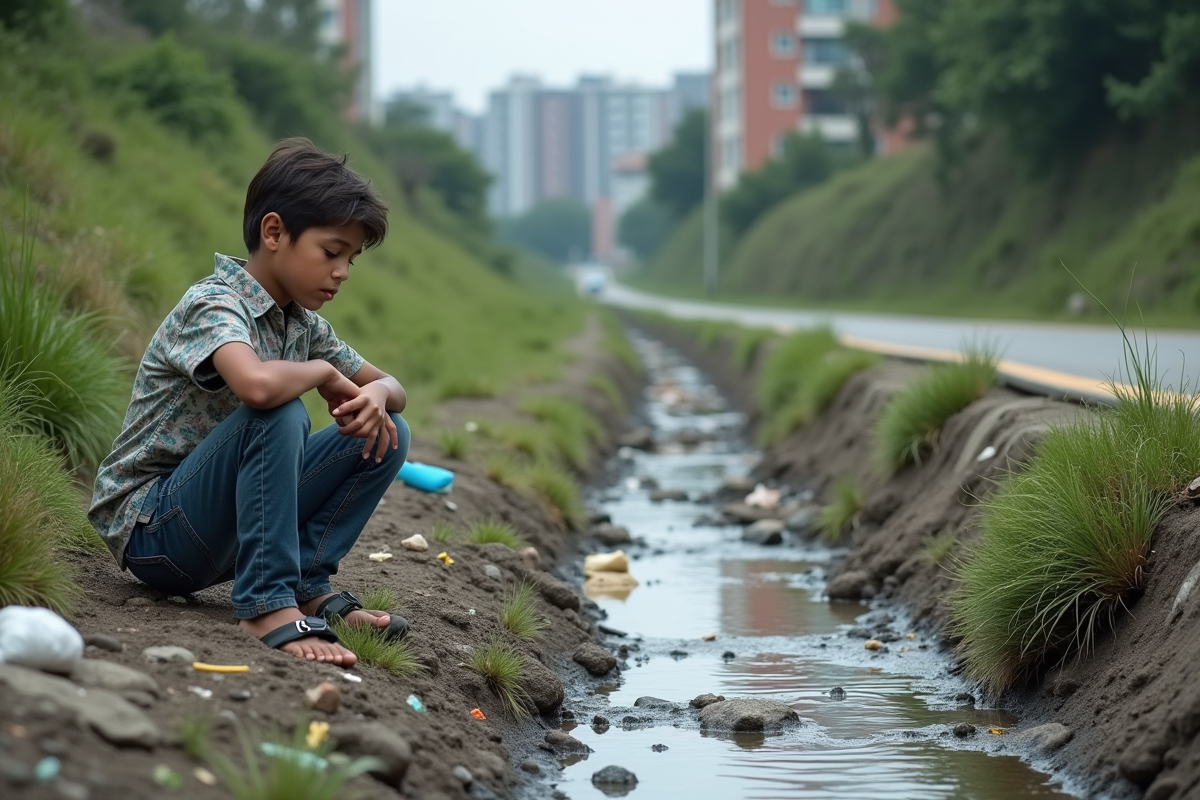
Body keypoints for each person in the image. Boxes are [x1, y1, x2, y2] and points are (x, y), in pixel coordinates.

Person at [88, 139, 409, 666]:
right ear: (275, 232)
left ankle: (307, 580)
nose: (343, 272)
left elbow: (393, 386)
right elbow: (256, 386)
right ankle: (264, 602)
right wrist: (324, 374)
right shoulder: (213, 303)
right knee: (278, 410)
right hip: (154, 532)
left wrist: (375, 393)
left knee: (388, 428)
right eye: (331, 253)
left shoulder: (305, 326)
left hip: (221, 535)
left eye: (351, 259)